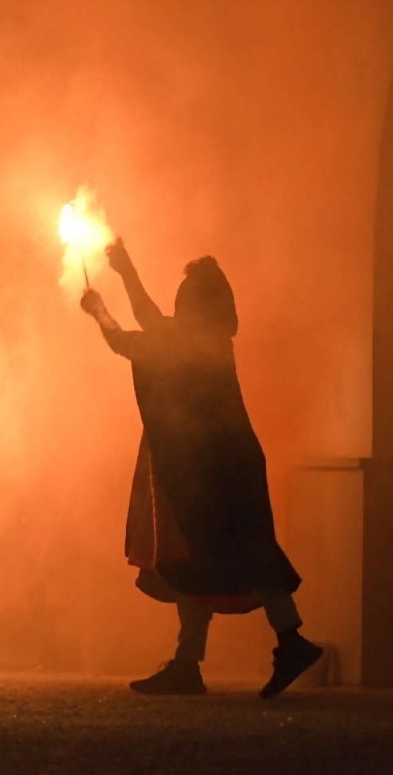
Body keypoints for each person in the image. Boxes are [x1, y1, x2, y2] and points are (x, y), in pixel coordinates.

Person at [80, 240, 322, 697]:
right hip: (237, 464)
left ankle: (191, 663)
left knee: (193, 558)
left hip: (205, 472)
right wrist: (126, 271)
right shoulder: (212, 341)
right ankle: (281, 640)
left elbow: (128, 341)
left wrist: (99, 311)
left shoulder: (184, 343)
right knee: (249, 555)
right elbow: (153, 323)